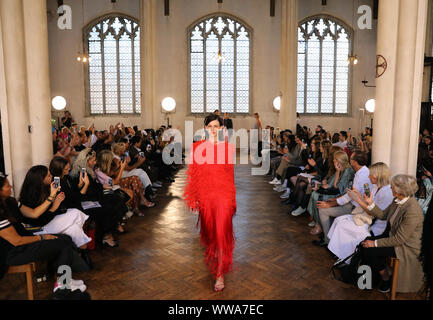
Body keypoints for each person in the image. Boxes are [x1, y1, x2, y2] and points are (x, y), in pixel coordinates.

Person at [0, 173, 88, 295]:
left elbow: (34, 213)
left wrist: (52, 197)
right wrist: (42, 237)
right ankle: (63, 283)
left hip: (26, 240)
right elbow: (16, 241)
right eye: (6, 185)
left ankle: (63, 281)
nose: (11, 186)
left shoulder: (10, 201)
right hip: (15, 252)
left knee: (65, 238)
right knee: (63, 242)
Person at [183, 114, 236, 292]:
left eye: (216, 126)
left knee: (221, 235)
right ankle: (215, 259)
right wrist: (193, 197)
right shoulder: (197, 148)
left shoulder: (228, 149)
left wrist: (232, 201)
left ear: (221, 128)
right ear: (205, 128)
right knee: (211, 235)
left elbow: (230, 177)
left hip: (223, 197)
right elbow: (194, 176)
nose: (213, 129)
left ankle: (220, 274)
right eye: (210, 126)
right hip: (206, 198)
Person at [349, 174, 424, 293]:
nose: (390, 188)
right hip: (393, 237)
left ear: (401, 191)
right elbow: (383, 215)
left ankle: (385, 276)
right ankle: (366, 281)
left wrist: (374, 243)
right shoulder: (397, 200)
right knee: (365, 243)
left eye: (393, 187)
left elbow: (400, 239)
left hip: (405, 246)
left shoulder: (412, 211)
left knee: (370, 248)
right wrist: (370, 202)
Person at [327, 162, 394, 262]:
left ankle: (348, 257)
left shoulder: (387, 192)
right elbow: (370, 203)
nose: (368, 176)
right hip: (367, 217)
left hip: (376, 225)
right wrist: (358, 195)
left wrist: (357, 199)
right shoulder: (376, 186)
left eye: (371, 175)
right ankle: (341, 253)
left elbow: (375, 213)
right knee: (339, 220)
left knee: (345, 227)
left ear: (377, 177)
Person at [313, 150, 373, 247]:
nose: (349, 160)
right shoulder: (362, 172)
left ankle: (327, 241)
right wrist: (336, 198)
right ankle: (328, 236)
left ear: (355, 162)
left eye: (351, 158)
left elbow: (348, 196)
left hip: (356, 208)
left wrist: (330, 204)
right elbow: (349, 193)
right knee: (324, 202)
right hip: (353, 203)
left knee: (323, 210)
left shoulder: (361, 175)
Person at [307, 150, 354, 241]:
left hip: (341, 196)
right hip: (337, 194)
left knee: (319, 198)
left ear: (339, 161)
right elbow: (332, 185)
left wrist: (337, 171)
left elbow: (338, 188)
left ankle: (320, 225)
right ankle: (319, 223)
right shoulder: (342, 169)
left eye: (335, 160)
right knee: (315, 194)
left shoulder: (348, 171)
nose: (333, 161)